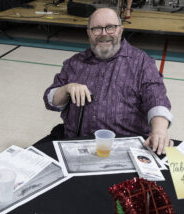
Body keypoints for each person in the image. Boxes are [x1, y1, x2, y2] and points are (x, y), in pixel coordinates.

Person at [43, 8, 173, 155]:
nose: (104, 34)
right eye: (97, 29)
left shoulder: (142, 62)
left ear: (120, 30)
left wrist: (159, 131)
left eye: (110, 27)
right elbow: (50, 100)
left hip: (126, 150)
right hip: (76, 145)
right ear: (89, 33)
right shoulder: (74, 63)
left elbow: (157, 100)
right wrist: (66, 88)